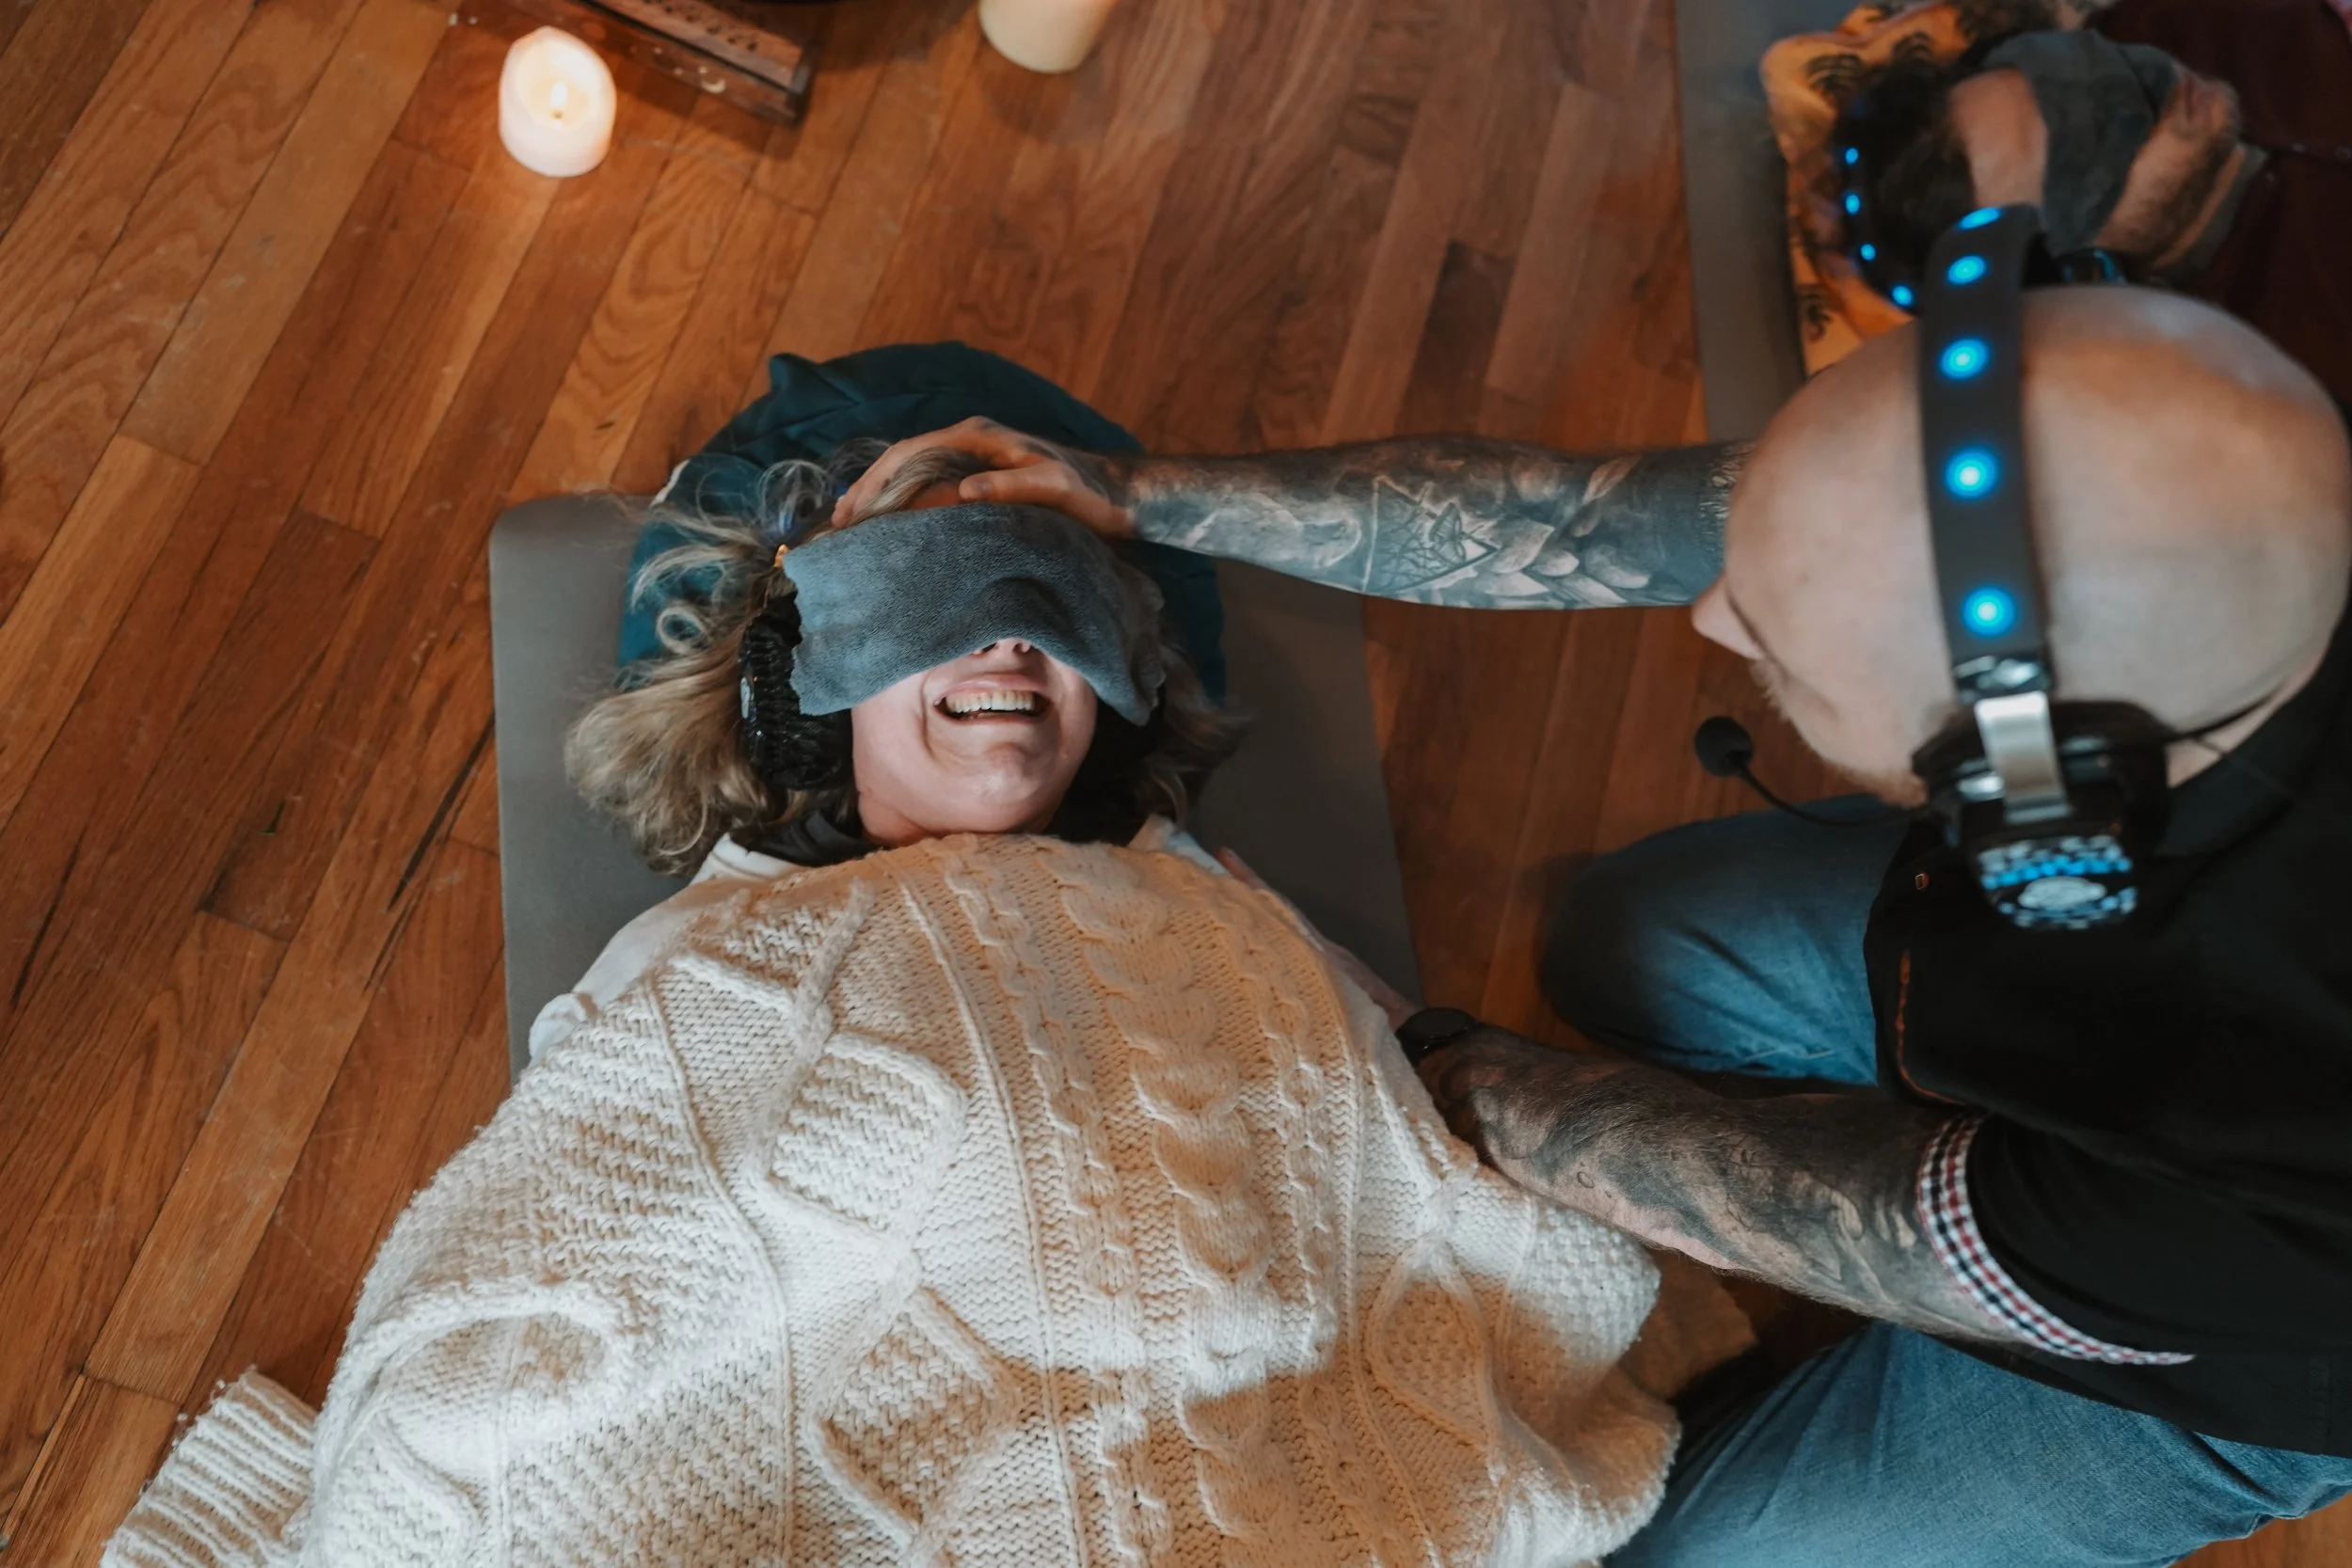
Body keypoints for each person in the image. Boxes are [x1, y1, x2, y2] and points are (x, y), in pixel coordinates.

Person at [833, 283, 2352, 1563]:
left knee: (1670, 1542)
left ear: (2029, 775)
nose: (1705, 618)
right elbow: (1597, 523)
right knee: (1628, 946)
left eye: (1781, 649)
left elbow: (1865, 1214)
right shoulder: (2120, 503)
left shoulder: (2264, 1190)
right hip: (2017, 988)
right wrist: (1142, 494)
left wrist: (1395, 1047)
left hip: (2204, 1352)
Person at [106, 406, 1750, 1567]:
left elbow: (1390, 1153)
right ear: (805, 663)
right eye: (939, 590)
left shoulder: (1211, 910)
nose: (1011, 643)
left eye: (1059, 604)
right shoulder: (715, 954)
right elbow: (585, 1247)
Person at [1832, 0, 2352, 402]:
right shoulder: (2279, 370)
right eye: (2082, 145)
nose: (2143, 86)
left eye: (2077, 69)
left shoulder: (2162, 23)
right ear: (2077, 271)